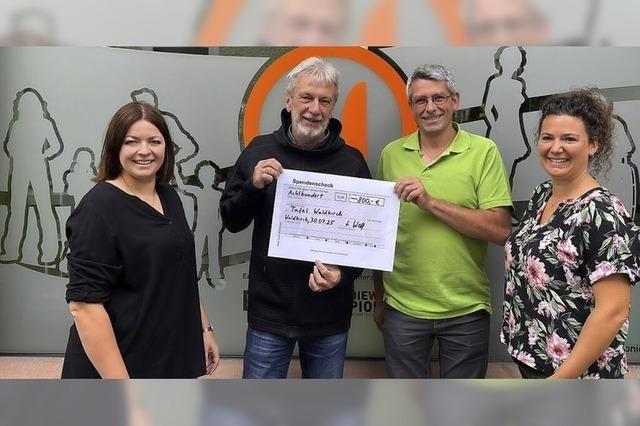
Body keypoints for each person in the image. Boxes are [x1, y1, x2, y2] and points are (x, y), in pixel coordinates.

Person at [220, 56, 370, 379]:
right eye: (306, 97)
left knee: (322, 406)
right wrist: (252, 187)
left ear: (333, 107)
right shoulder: (259, 151)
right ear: (288, 101)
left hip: (329, 317)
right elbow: (231, 220)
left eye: (324, 101)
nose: (314, 109)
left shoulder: (352, 162)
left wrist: (342, 274)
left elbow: (366, 241)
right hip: (269, 316)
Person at [61, 101, 220, 378]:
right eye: (131, 141)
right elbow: (84, 308)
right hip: (118, 367)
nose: (144, 151)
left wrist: (204, 329)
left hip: (166, 356)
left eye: (154, 141)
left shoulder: (168, 196)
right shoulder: (98, 208)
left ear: (166, 147)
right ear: (116, 148)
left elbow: (180, 273)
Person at [374, 64, 512, 378]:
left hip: (466, 309)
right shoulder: (391, 154)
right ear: (410, 106)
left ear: (455, 100)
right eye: (420, 100)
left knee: (461, 404)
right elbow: (380, 234)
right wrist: (380, 299)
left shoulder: (483, 152)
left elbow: (500, 230)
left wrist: (430, 202)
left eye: (438, 98)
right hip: (402, 308)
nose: (430, 107)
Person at [501, 89, 640, 379]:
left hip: (576, 376)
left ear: (593, 145)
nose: (556, 148)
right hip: (534, 359)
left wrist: (559, 381)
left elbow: (613, 311)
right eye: (547, 137)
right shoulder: (542, 195)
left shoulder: (603, 213)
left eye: (569, 139)